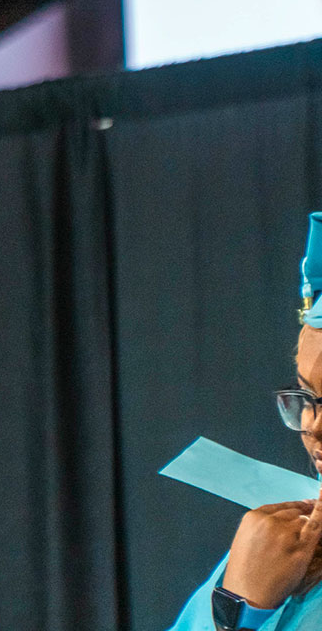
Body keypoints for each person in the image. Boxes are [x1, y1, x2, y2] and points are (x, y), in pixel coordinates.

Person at [163, 214, 322, 631]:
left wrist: (237, 619)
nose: (314, 427)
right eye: (306, 397)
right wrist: (237, 604)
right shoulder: (280, 549)